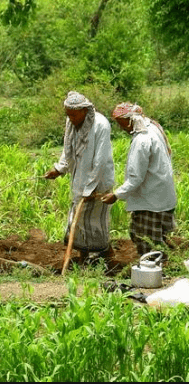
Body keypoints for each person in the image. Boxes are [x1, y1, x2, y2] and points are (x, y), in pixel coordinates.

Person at [45, 91, 115, 261]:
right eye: (68, 114)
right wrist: (59, 169)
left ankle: (104, 255)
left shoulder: (100, 125)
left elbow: (100, 160)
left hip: (98, 183)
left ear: (84, 110)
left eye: (75, 115)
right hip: (79, 180)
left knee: (94, 222)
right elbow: (68, 150)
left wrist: (90, 188)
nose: (72, 118)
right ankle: (83, 256)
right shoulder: (71, 122)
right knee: (79, 221)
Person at [101, 102, 177, 257]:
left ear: (131, 120)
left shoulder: (141, 140)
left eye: (122, 124)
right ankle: (167, 266)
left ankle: (154, 270)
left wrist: (116, 195)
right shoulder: (154, 128)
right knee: (161, 237)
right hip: (163, 194)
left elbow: (135, 177)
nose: (122, 128)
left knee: (143, 237)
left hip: (150, 200)